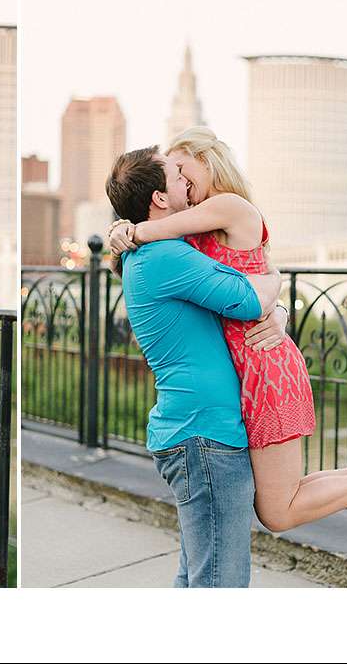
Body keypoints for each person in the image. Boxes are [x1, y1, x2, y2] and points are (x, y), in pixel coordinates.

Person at [108, 128, 347, 538]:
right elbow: (246, 276)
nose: (180, 178)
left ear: (208, 160)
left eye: (183, 166)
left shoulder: (229, 207)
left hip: (263, 364)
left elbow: (158, 237)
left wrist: (128, 231)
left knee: (278, 511)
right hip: (245, 367)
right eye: (173, 173)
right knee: (280, 498)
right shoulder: (191, 229)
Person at [106, 145, 284, 587]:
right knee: (219, 582)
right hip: (205, 436)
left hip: (195, 431)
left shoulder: (155, 250)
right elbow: (249, 301)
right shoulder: (166, 256)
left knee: (198, 576)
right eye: (176, 175)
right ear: (161, 200)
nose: (186, 181)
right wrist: (277, 282)